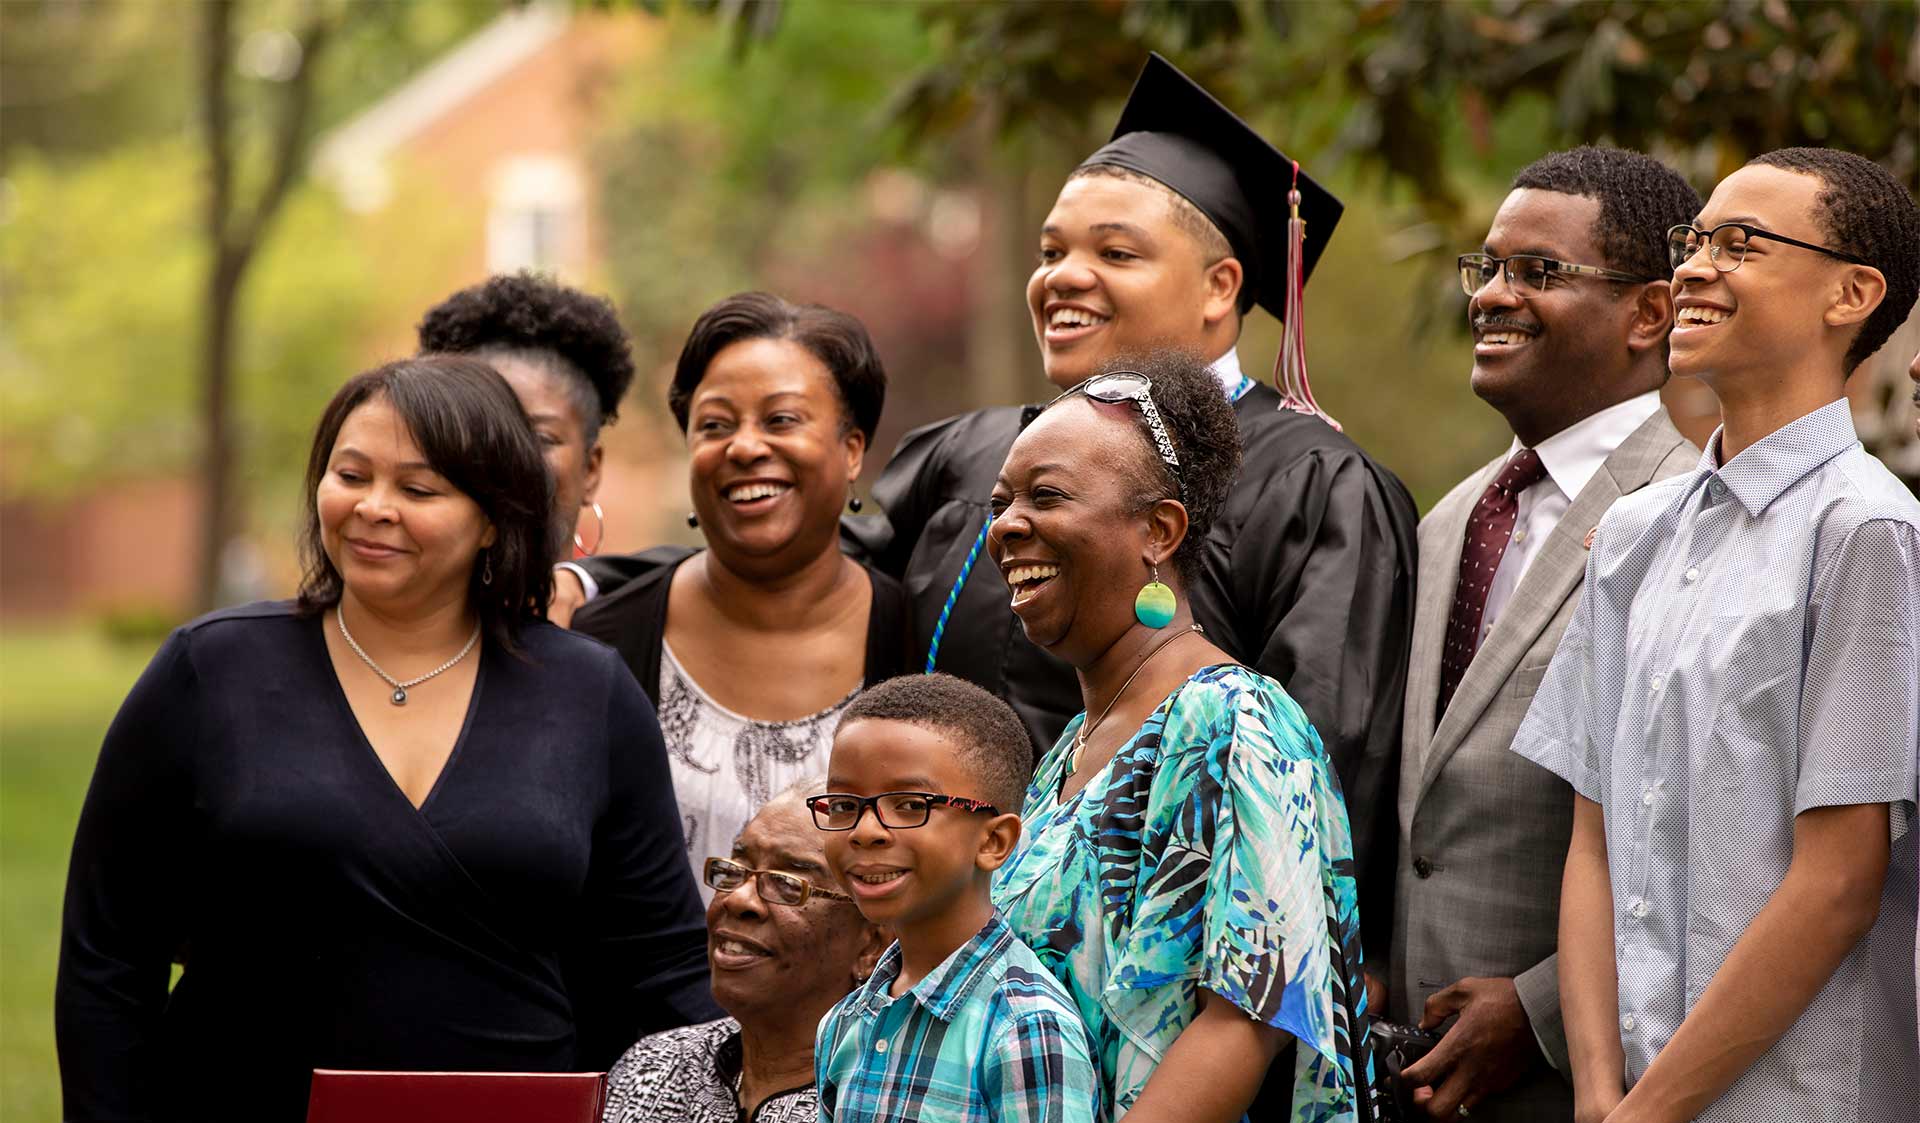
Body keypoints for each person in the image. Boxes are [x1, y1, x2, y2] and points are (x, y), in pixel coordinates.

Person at [557, 56, 1418, 920]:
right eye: (1051, 253)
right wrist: (592, 580)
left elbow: (1327, 768)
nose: (1062, 278)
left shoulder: (1315, 484)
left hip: (1156, 949)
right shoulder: (972, 453)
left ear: (1219, 288)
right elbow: (805, 570)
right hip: (931, 949)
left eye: (1114, 252)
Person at [55, 357, 717, 1123]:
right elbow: (106, 957)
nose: (372, 507)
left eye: (419, 487)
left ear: (493, 517)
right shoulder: (211, 673)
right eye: (351, 474)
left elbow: (662, 971)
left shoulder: (587, 694)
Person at [1515, 147, 1920, 1123]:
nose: (1695, 265)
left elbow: (1839, 881)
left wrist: (1645, 1119)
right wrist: (1607, 1109)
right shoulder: (1637, 534)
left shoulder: (1869, 535)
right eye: (1696, 239)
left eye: (1742, 243)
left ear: (1853, 294)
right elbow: (1592, 835)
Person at [1384, 147, 1702, 1123]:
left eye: (1538, 269)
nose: (1489, 293)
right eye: (1487, 264)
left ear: (1649, 312)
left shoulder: (1695, 514)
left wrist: (1542, 1011)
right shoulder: (1448, 519)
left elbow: (1717, 838)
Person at [989, 351, 1364, 1123]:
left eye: (1046, 496)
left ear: (1159, 530)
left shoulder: (1233, 719)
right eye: (999, 502)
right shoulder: (1067, 755)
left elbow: (1254, 1007)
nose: (1007, 528)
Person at [571, 293, 910, 892]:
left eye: (781, 420)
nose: (745, 447)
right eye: (715, 425)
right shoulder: (601, 645)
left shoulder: (922, 639)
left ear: (852, 449)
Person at [807, 673, 1097, 1123]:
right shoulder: (845, 1024)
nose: (866, 830)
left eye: (910, 805)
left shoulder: (1025, 1028)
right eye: (843, 804)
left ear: (994, 841)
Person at [586, 779, 887, 1123]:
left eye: (791, 882)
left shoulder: (874, 1114)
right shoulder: (652, 1066)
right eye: (736, 870)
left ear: (871, 944)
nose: (739, 900)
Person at [417, 271, 635, 557]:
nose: (511, 457)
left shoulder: (646, 599)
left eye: (541, 437)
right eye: (480, 432)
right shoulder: (377, 597)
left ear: (590, 471)